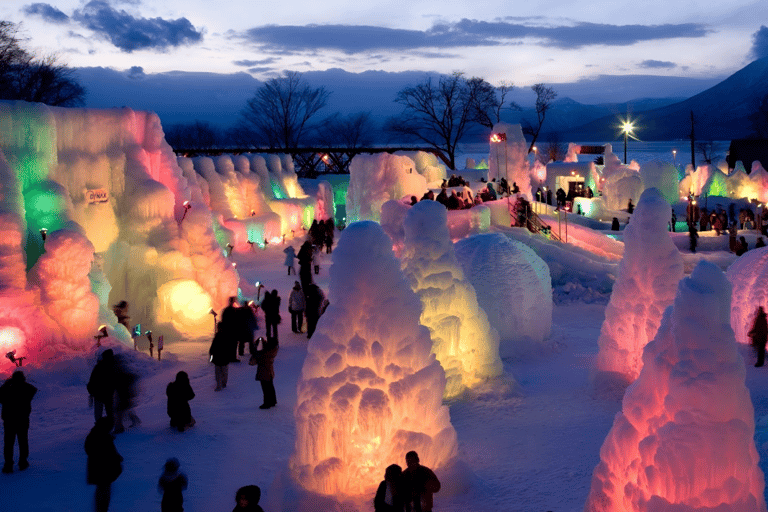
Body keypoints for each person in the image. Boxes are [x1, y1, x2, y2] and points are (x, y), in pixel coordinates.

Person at [0, 370, 37, 473]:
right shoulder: (27, 389)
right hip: (22, 420)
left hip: (9, 421)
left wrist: (6, 384)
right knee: (23, 442)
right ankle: (23, 462)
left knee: (8, 444)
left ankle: (8, 465)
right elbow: (33, 390)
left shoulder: (7, 390)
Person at [85, 417, 123, 512]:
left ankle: (100, 509)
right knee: (104, 495)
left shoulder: (94, 436)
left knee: (101, 493)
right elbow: (110, 454)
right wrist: (117, 460)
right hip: (104, 473)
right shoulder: (104, 439)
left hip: (98, 472)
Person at [87, 348, 117, 429]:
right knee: (110, 411)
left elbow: (92, 380)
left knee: (98, 412)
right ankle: (110, 426)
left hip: (99, 394)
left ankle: (100, 427)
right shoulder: (114, 365)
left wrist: (91, 391)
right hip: (108, 394)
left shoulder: (98, 366)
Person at [113, 354, 141, 434]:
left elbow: (120, 381)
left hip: (123, 395)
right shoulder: (120, 369)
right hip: (125, 395)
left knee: (119, 412)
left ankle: (119, 428)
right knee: (126, 410)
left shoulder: (118, 370)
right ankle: (135, 420)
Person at [254, 336, 279, 409]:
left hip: (263, 371)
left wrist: (256, 345)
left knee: (265, 388)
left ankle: (267, 403)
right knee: (270, 386)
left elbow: (256, 358)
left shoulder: (266, 353)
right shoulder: (273, 349)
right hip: (269, 371)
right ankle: (273, 401)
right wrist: (263, 342)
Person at [209, 322, 230, 391]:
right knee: (219, 373)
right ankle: (220, 385)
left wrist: (211, 357)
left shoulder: (225, 337)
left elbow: (229, 348)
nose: (219, 329)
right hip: (219, 359)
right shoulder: (217, 336)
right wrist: (211, 357)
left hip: (223, 358)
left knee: (223, 373)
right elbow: (212, 348)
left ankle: (223, 383)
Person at [221, 296, 241, 363]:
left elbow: (223, 320)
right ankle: (233, 358)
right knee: (233, 345)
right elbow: (237, 320)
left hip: (227, 330)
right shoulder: (234, 310)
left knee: (229, 344)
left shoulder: (226, 310)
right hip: (233, 330)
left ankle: (228, 357)